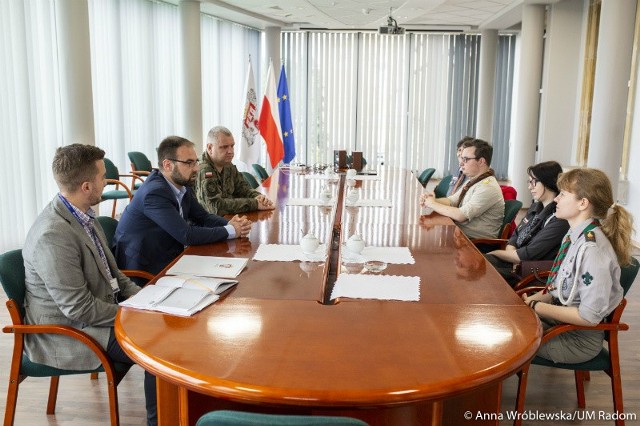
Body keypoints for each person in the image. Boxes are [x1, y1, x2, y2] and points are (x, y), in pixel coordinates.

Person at [22, 144, 157, 425]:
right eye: (102, 176)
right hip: (69, 330)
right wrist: (134, 315)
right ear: (86, 186)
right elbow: (78, 309)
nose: (107, 181)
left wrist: (147, 302)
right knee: (157, 350)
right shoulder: (53, 236)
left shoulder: (83, 215)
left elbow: (116, 276)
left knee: (163, 328)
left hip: (97, 312)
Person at [522, 168, 634, 364]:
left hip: (576, 339)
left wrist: (536, 306)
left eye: (563, 194)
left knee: (510, 343)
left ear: (583, 203)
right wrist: (529, 303)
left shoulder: (592, 250)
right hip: (560, 321)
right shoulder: (575, 235)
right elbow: (558, 286)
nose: (556, 199)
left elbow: (588, 316)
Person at [113, 136, 253, 277]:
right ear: (168, 165)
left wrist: (232, 223)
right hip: (145, 269)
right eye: (189, 163)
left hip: (170, 255)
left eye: (196, 162)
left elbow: (203, 217)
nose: (196, 168)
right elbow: (186, 235)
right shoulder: (154, 193)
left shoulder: (181, 184)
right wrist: (231, 230)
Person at [486, 161, 570, 284]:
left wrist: (496, 253)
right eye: (529, 182)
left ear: (547, 181)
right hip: (515, 262)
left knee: (480, 266)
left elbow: (528, 254)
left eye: (534, 182)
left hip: (528, 273)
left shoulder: (559, 219)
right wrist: (511, 255)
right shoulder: (535, 207)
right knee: (475, 262)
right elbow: (516, 234)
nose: (530, 186)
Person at [420, 138, 504, 240]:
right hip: (460, 236)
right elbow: (451, 201)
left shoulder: (488, 187)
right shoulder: (474, 180)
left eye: (466, 159)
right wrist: (431, 200)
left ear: (481, 161)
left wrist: (432, 204)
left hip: (475, 244)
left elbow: (461, 215)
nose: (461, 163)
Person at [195, 126, 275, 215]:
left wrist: (259, 197)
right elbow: (216, 207)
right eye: (224, 147)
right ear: (210, 148)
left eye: (232, 146)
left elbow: (243, 189)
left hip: (227, 220)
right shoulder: (204, 169)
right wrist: (255, 204)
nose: (230, 151)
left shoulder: (227, 164)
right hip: (207, 226)